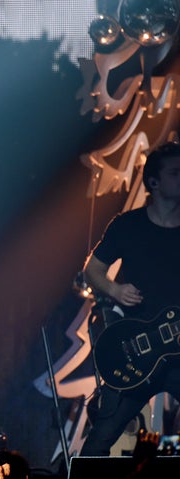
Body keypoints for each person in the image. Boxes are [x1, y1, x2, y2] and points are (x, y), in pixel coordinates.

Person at [80, 141, 180, 456]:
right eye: (176, 173)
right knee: (103, 437)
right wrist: (115, 290)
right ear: (154, 182)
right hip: (137, 350)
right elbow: (92, 271)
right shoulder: (127, 225)